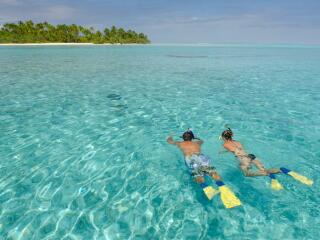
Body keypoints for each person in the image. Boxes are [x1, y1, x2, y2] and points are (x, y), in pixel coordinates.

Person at [167, 129, 242, 208]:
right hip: (201, 158)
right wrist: (196, 137)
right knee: (212, 172)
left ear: (183, 138)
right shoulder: (197, 143)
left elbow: (169, 141)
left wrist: (170, 135)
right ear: (192, 138)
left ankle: (207, 188)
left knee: (198, 175)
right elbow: (202, 140)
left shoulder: (179, 143)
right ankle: (222, 187)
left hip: (191, 159)